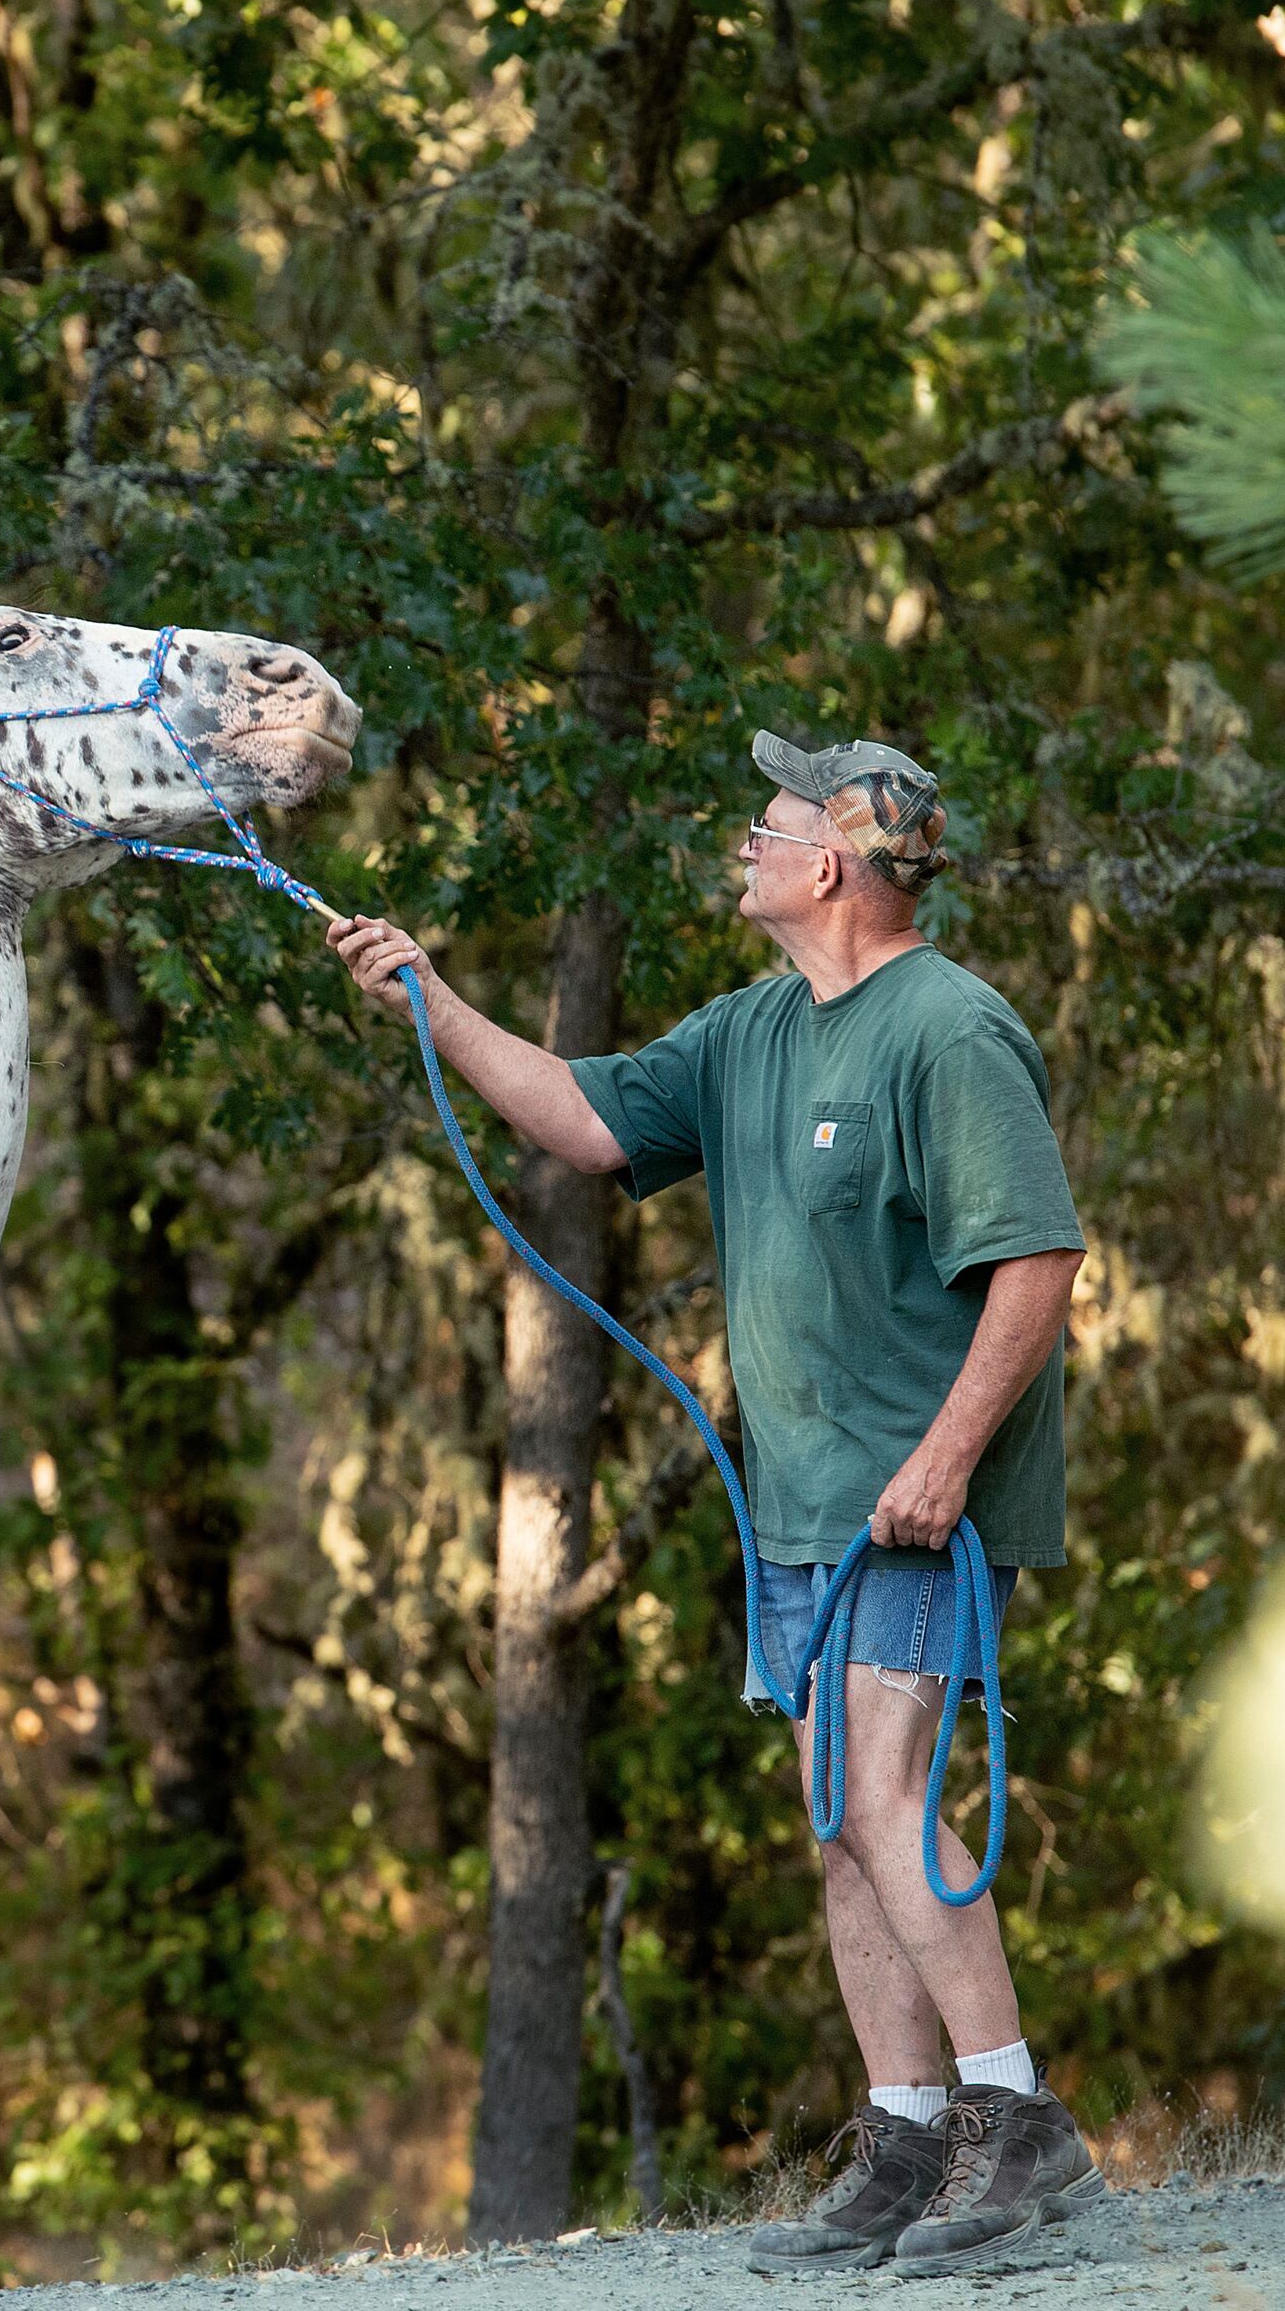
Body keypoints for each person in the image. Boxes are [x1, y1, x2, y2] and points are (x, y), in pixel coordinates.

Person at [326, 731, 1100, 2275]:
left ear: (832, 865)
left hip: (915, 1507)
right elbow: (588, 1120)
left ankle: (1025, 2130)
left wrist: (943, 1465)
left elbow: (1040, 1262)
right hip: (804, 1508)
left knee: (884, 1803)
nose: (744, 840)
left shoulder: (949, 1033)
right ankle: (905, 2140)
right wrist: (429, 996)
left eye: (771, 824)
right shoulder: (751, 1032)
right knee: (838, 1828)